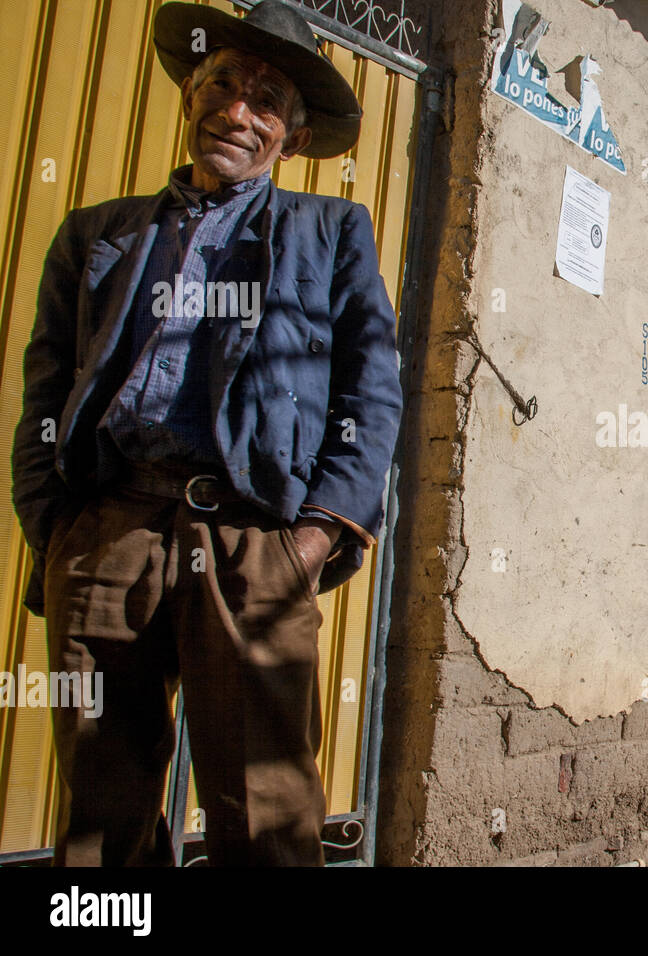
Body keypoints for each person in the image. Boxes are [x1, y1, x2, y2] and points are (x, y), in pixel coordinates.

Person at [11, 0, 403, 865]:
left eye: (266, 100)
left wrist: (315, 534)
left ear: (291, 141)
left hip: (252, 538)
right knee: (100, 802)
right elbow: (45, 384)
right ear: (191, 95)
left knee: (265, 805)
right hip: (109, 532)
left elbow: (371, 392)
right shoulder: (96, 234)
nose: (238, 110)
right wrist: (57, 530)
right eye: (222, 84)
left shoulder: (329, 233)